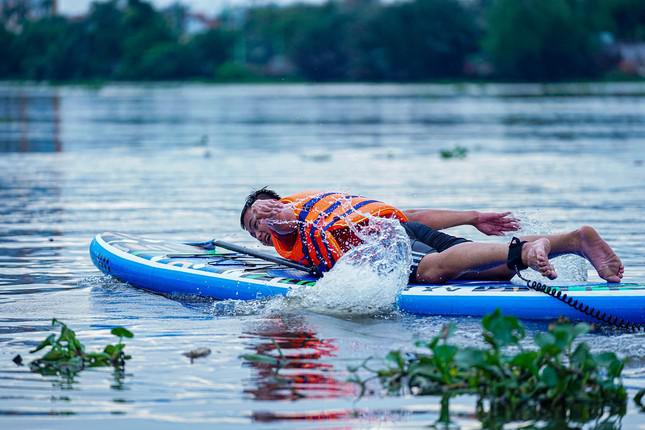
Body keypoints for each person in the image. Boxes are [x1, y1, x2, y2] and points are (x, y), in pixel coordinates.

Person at [240, 188, 624, 284]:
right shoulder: (329, 206)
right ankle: (573, 240)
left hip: (387, 246)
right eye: (251, 230)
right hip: (409, 230)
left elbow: (286, 221)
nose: (258, 233)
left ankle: (524, 253)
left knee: (430, 271)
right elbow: (411, 216)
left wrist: (267, 216)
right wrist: (472, 217)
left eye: (254, 224)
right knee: (492, 269)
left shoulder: (290, 221)